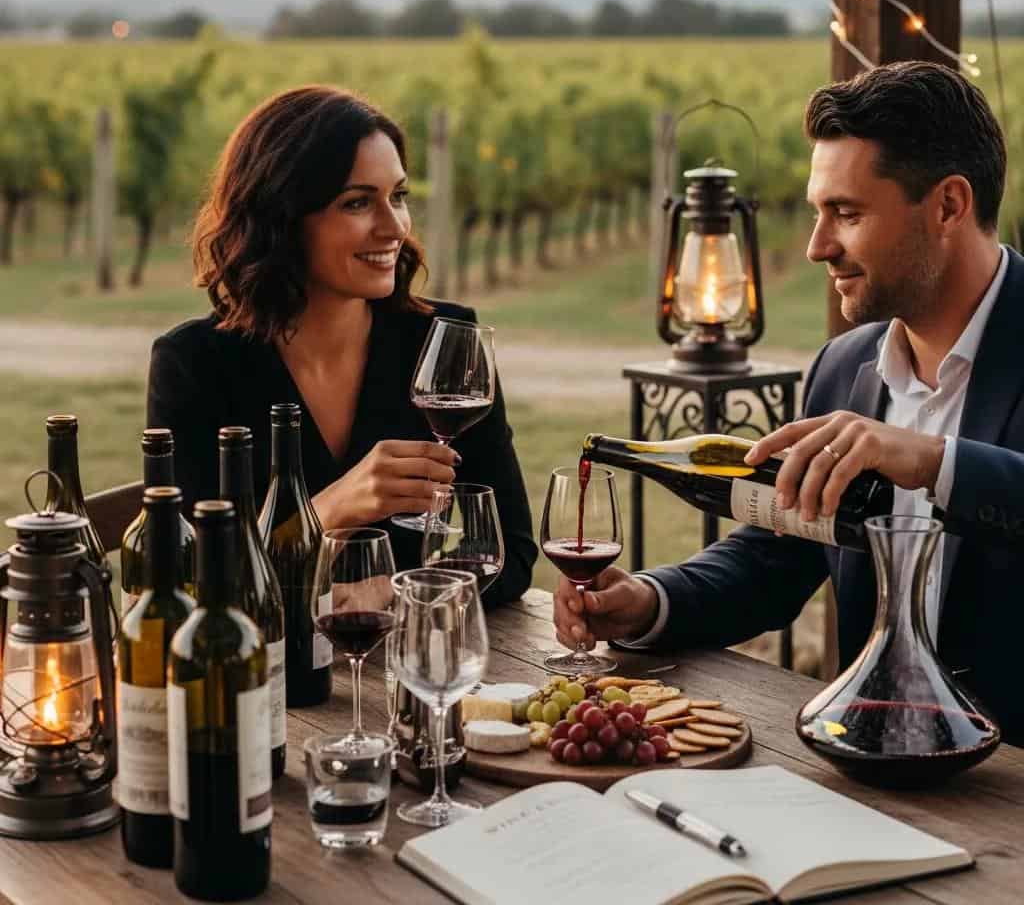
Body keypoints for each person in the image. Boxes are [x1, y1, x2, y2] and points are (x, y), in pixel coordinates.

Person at [554, 61, 1024, 744]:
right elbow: (775, 557)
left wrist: (932, 460)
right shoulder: (844, 367)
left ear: (948, 205)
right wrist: (648, 604)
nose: (816, 246)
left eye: (847, 213)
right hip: (873, 762)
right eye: (817, 212)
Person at [147, 85, 536, 607]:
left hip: (405, 673)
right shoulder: (194, 365)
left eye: (398, 196)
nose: (394, 226)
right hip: (264, 682)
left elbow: (509, 549)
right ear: (282, 218)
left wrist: (398, 594)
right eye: (357, 202)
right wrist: (330, 511)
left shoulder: (445, 341)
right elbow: (196, 586)